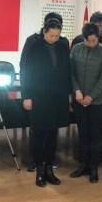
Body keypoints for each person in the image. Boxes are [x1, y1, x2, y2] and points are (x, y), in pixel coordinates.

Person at [21, 19, 73, 188]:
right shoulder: (34, 46)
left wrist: (69, 93)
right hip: (38, 96)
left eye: (57, 36)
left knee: (52, 134)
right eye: (51, 35)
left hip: (57, 96)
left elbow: (67, 70)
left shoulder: (63, 46)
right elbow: (26, 71)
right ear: (44, 31)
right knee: (38, 134)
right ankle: (39, 170)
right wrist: (26, 96)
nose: (54, 39)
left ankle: (50, 169)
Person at [70, 23, 102, 184]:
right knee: (83, 133)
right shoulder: (76, 49)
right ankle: (83, 164)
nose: (92, 43)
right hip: (79, 99)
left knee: (95, 133)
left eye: (94, 40)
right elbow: (71, 73)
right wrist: (76, 91)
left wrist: (91, 96)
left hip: (97, 101)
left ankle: (94, 167)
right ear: (84, 38)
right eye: (89, 41)